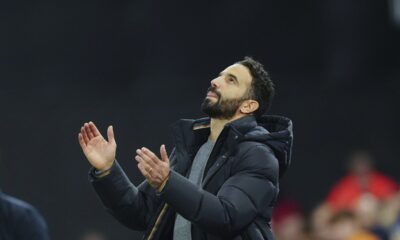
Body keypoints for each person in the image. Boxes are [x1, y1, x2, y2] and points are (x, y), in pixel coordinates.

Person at [78, 57, 293, 239]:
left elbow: (226, 217)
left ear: (248, 105)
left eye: (231, 80)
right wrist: (108, 170)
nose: (215, 81)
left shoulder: (258, 154)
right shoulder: (192, 147)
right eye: (219, 76)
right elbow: (141, 213)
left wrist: (168, 183)